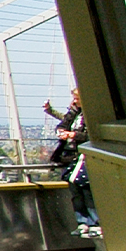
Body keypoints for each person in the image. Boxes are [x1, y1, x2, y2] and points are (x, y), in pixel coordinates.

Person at [44, 89, 99, 235]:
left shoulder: (91, 116)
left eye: (77, 99)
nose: (74, 101)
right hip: (70, 156)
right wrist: (61, 131)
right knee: (76, 190)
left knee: (84, 188)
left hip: (83, 156)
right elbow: (63, 122)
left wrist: (73, 135)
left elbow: (92, 135)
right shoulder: (74, 113)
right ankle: (84, 222)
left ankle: (94, 222)